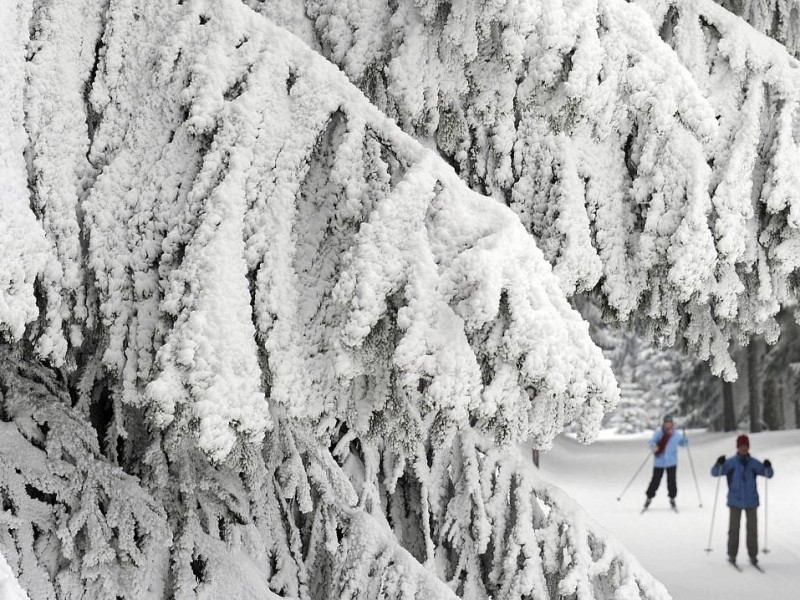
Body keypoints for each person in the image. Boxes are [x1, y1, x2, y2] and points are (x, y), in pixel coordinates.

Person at [711, 434, 773, 567]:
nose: (743, 449)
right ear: (737, 447)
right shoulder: (731, 463)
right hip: (735, 501)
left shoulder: (753, 463)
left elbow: (768, 474)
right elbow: (715, 473)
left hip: (751, 501)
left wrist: (768, 466)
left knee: (752, 530)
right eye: (741, 446)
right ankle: (732, 555)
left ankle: (753, 555)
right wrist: (718, 464)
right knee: (734, 529)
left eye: (745, 446)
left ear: (748, 447)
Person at [643, 414, 688, 509]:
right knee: (655, 481)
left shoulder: (676, 435)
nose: (668, 425)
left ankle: (672, 498)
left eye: (670, 423)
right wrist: (654, 446)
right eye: (666, 423)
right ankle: (649, 497)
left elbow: (683, 444)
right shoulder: (658, 433)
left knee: (672, 481)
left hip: (672, 462)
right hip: (659, 462)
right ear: (663, 424)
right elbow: (651, 443)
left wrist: (685, 439)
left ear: (672, 424)